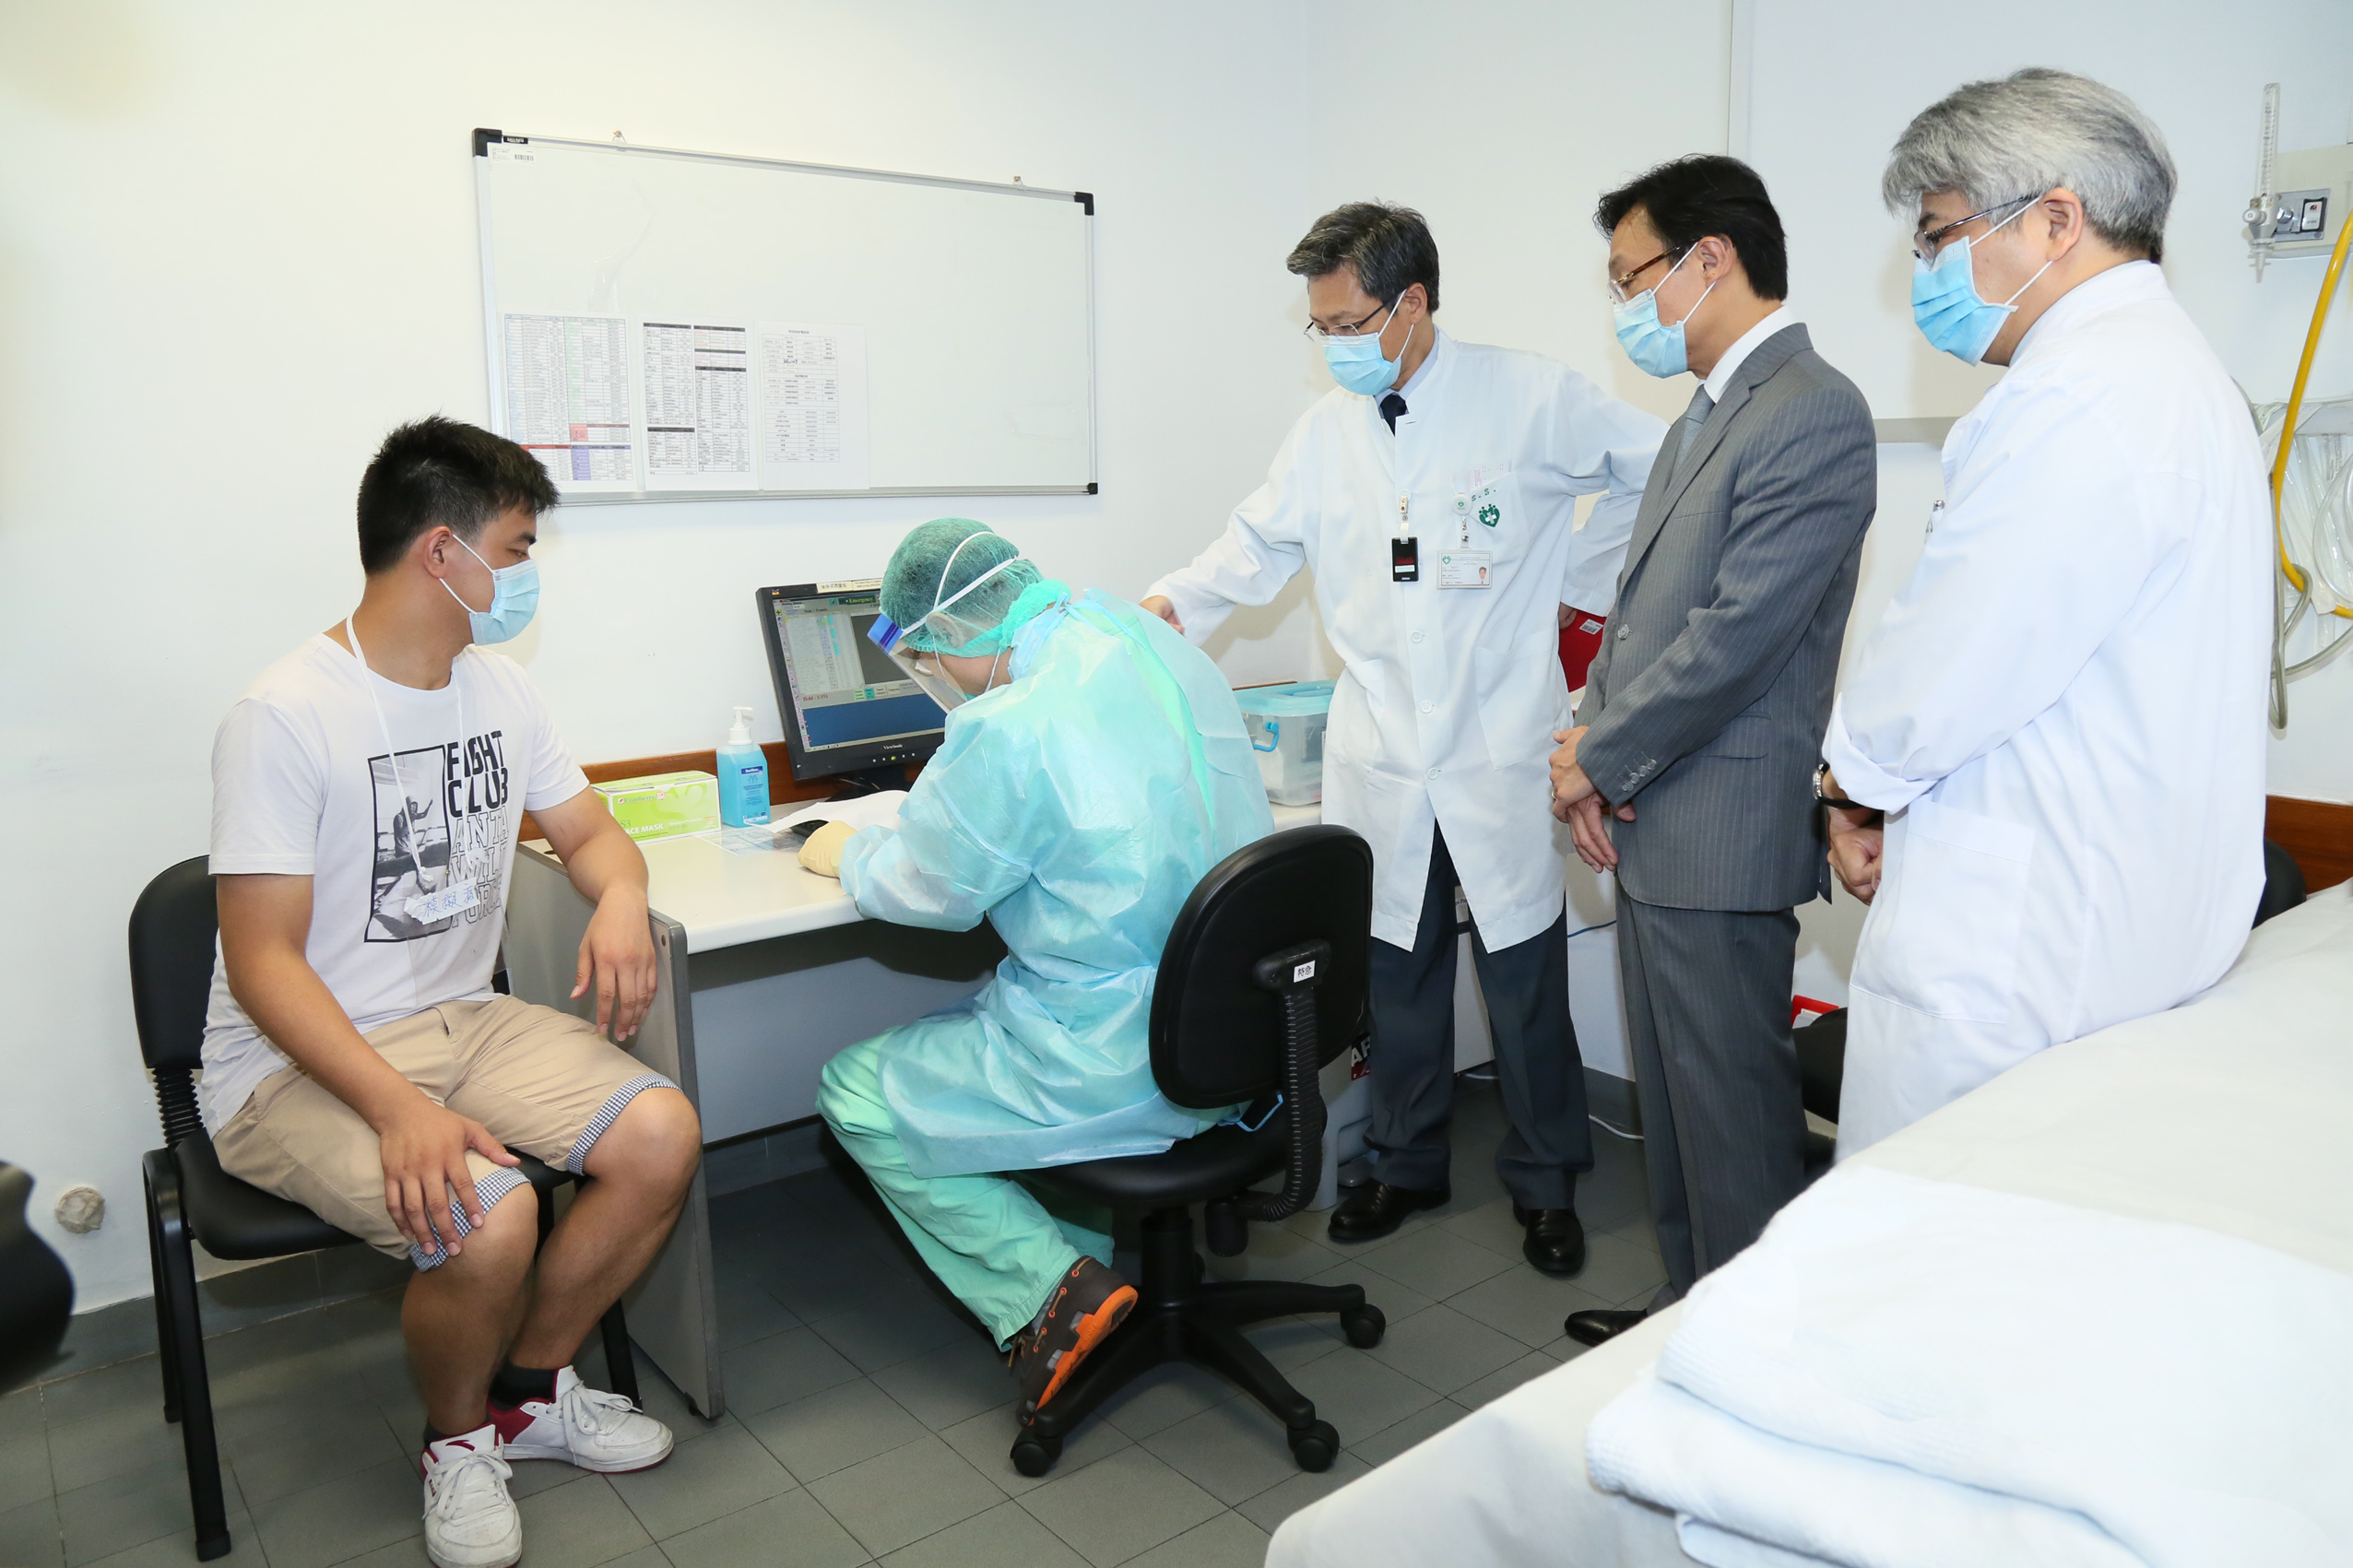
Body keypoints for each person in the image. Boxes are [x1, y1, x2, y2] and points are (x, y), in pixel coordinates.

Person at [207, 418, 702, 1568]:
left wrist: (621, 896)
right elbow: (262, 962)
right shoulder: (285, 714)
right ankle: (457, 1441)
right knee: (489, 1217)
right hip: (289, 1061)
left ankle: (525, 1395)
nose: (524, 575)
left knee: (660, 1136)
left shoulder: (499, 690)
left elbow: (592, 836)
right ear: (443, 551)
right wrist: (397, 1109)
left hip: (463, 1018)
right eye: (517, 549)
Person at [1141, 203, 1665, 1276]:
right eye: (1321, 327)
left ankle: (1546, 1181)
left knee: (1522, 977)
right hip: (1379, 750)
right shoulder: (1323, 434)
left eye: (1349, 322)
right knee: (1396, 976)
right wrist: (1164, 608)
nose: (1333, 344)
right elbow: (1252, 546)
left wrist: (1575, 579)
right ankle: (1402, 1161)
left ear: (1411, 303)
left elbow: (1657, 468)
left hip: (1497, 741)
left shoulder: (1527, 396)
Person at [1821, 69, 2268, 1153]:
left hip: (2020, 949)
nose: (1927, 268)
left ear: (2055, 220)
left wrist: (1848, 786)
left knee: (1934, 1228)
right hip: (2124, 923)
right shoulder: (2176, 377)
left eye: (1938, 235)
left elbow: (1950, 660)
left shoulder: (2074, 396)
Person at [805, 520, 1275, 1427]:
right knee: (1005, 1018)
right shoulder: (1139, 637)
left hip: (1119, 1057)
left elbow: (931, 888)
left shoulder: (1010, 723)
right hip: (1243, 1028)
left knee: (855, 1089)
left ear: (949, 633)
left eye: (927, 655)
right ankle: (1090, 1273)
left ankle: (1054, 1292)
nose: (933, 674)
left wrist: (848, 852)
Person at [1550, 157, 1876, 1347]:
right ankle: (1682, 1321)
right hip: (1654, 812)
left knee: (1731, 1117)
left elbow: (1737, 636)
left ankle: (1749, 1353)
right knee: (1679, 1112)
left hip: (1720, 826)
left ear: (1709, 258)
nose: (1624, 305)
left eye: (1628, 275)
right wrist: (1588, 743)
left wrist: (1598, 761)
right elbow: (1640, 613)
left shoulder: (1811, 408)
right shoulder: (1704, 413)